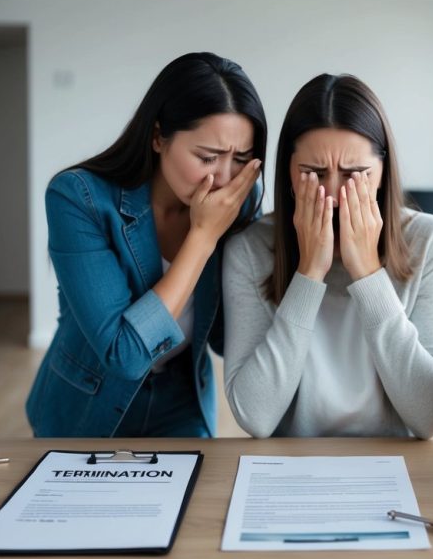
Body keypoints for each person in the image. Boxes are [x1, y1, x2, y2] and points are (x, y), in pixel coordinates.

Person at [26, 52, 266, 437]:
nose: (224, 178)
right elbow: (124, 355)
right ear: (158, 137)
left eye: (241, 159)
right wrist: (202, 237)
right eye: (208, 157)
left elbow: (224, 336)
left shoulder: (240, 202)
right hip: (85, 408)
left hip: (183, 403)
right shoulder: (78, 198)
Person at [222, 74, 433, 439]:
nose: (333, 194)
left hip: (393, 465)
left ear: (382, 172)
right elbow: (255, 416)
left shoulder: (432, 241)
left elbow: (430, 416)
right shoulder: (250, 250)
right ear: (288, 172)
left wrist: (367, 272)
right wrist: (308, 273)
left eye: (355, 174)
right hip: (288, 465)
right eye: (314, 174)